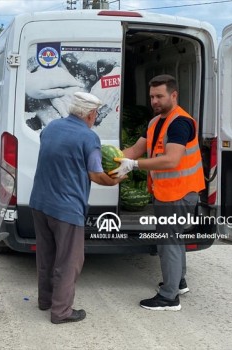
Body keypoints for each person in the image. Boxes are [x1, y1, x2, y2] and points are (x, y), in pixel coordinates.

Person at [110, 74, 205, 311]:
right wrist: (111, 159)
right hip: (167, 192)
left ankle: (169, 297)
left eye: (159, 96)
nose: (154, 101)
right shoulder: (155, 122)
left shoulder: (180, 122)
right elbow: (134, 149)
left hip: (181, 192)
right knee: (174, 238)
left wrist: (134, 165)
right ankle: (178, 281)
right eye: (152, 96)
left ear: (174, 95)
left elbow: (171, 160)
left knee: (168, 241)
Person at [29, 92, 124, 324]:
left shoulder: (51, 128)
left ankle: (45, 301)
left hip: (40, 202)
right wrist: (116, 179)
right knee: (69, 260)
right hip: (66, 208)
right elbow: (96, 174)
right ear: (91, 114)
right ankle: (61, 312)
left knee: (46, 256)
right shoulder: (88, 138)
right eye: (96, 113)